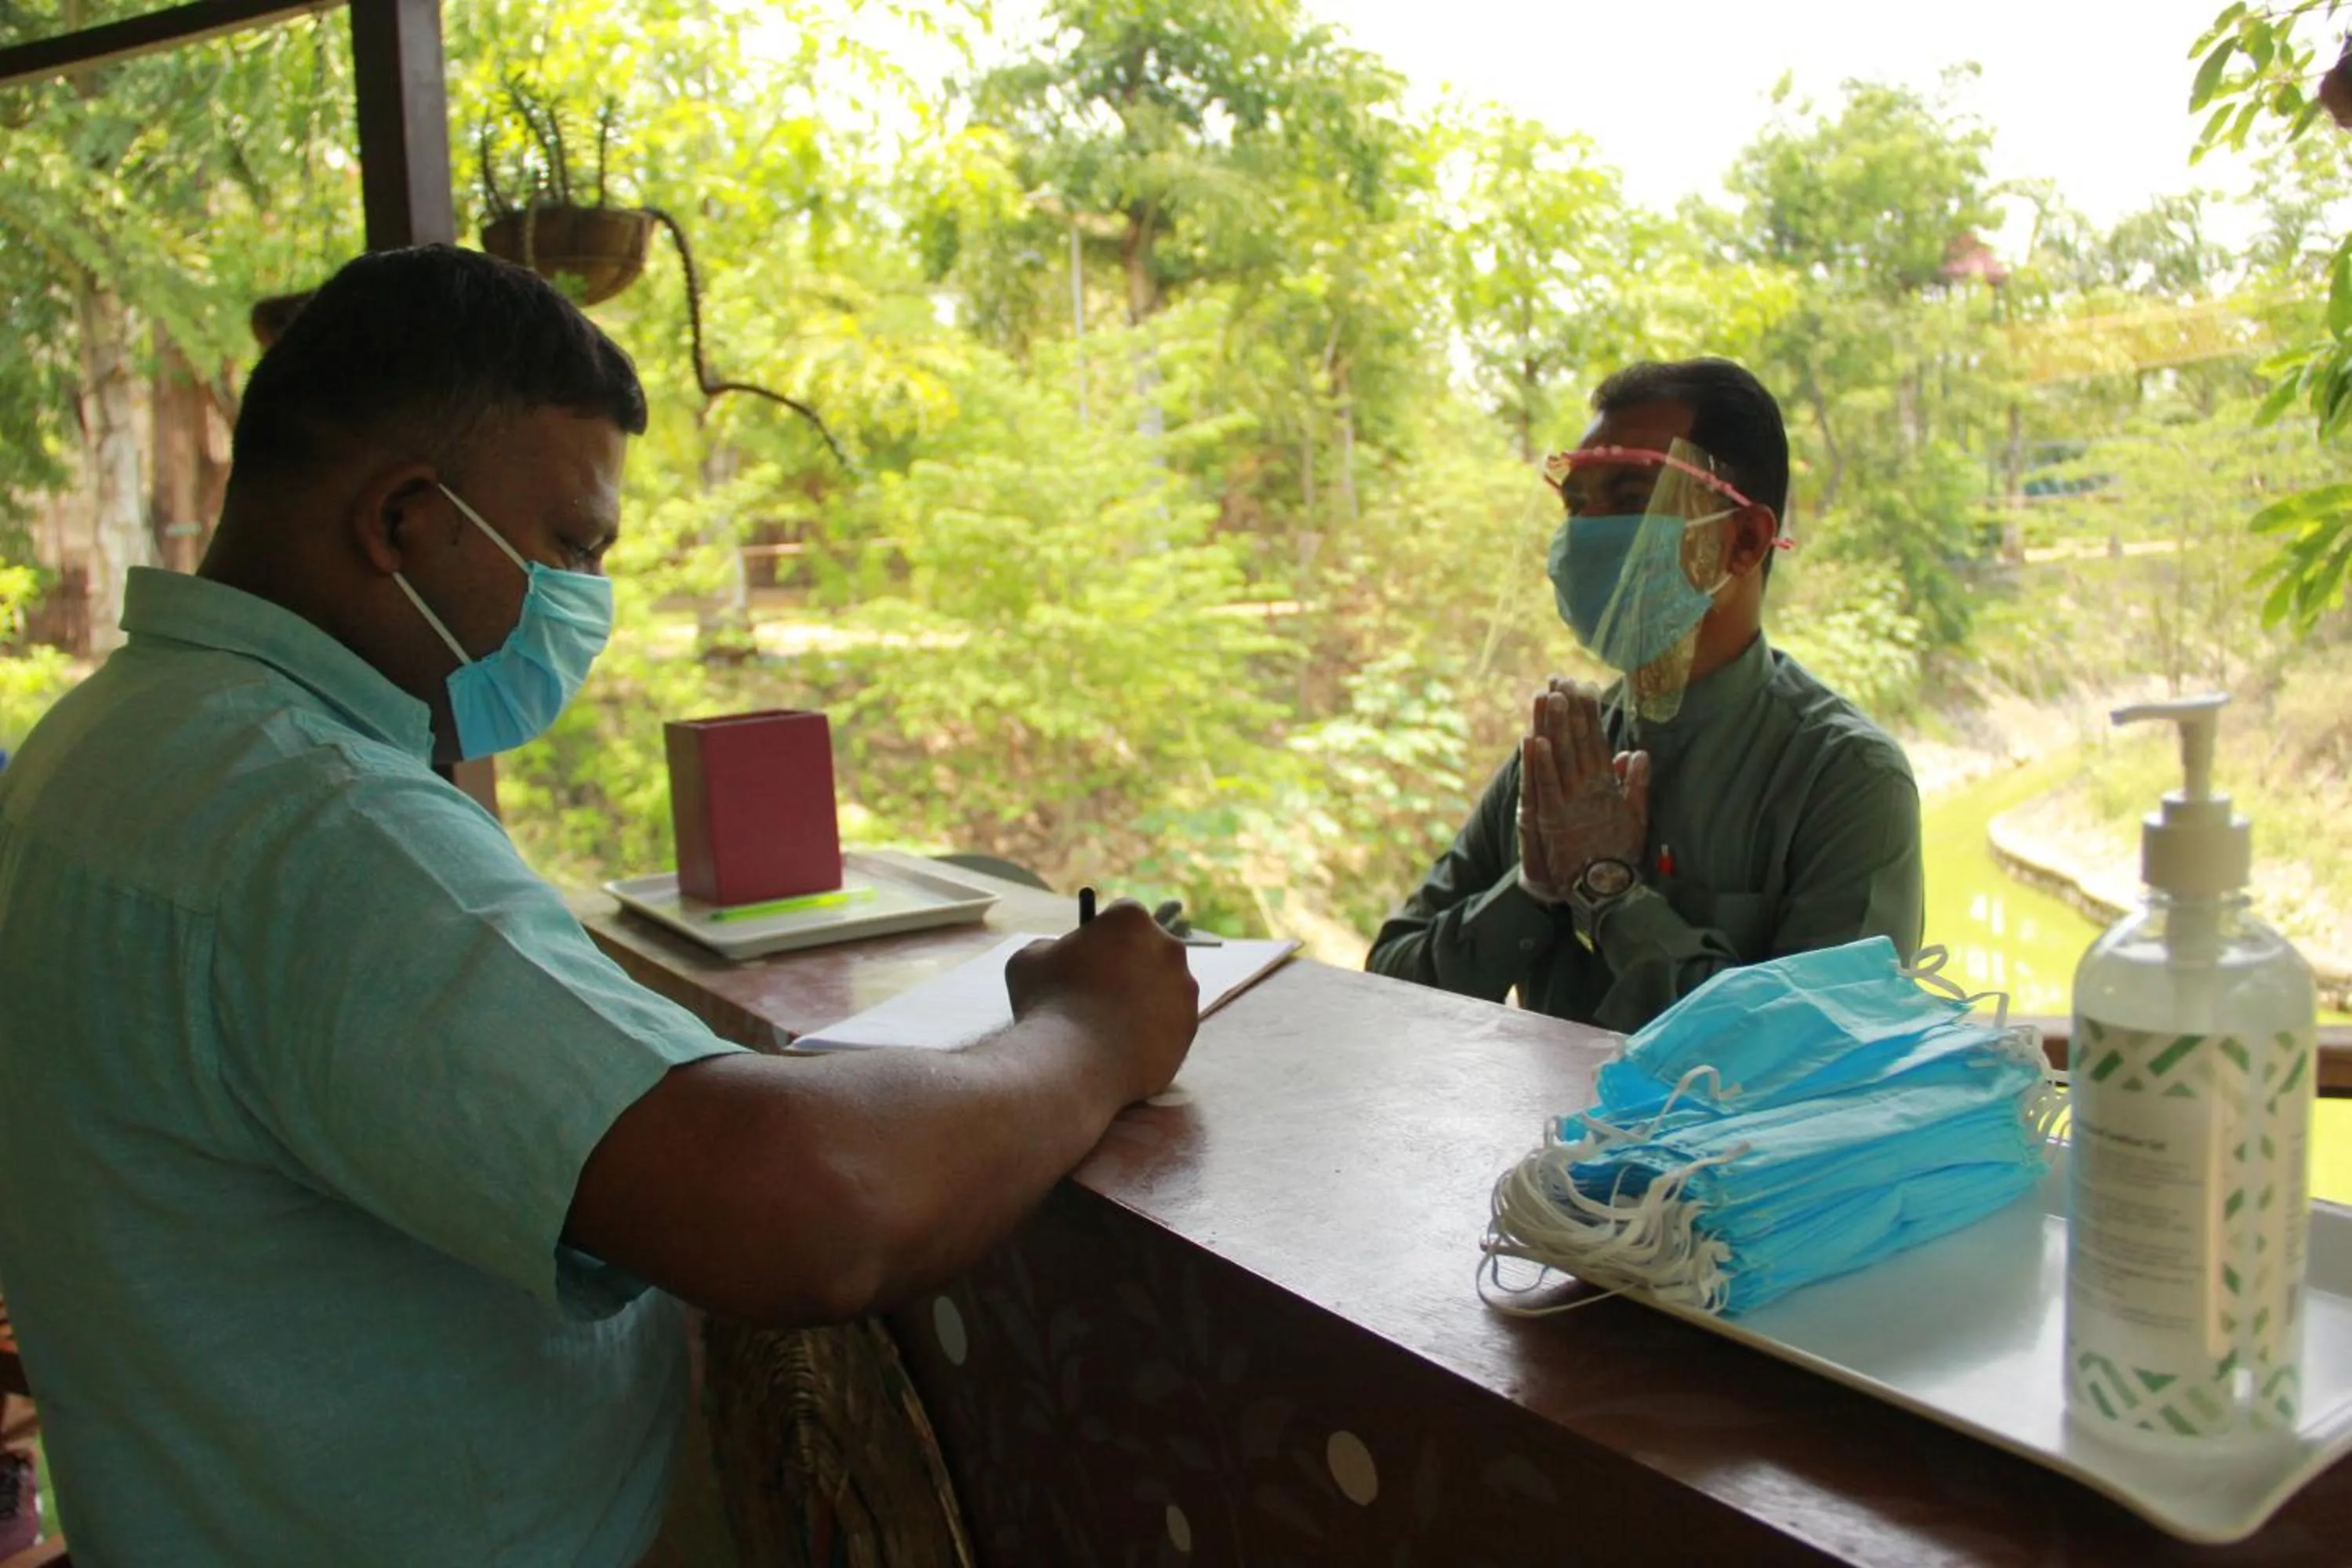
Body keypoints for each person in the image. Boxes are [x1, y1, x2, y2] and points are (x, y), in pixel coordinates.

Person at [0, 245, 1197, 1564]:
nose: (586, 602)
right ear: (403, 519)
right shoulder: (315, 826)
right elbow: (817, 1207)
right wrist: (1088, 1036)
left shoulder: (99, 745)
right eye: (569, 546)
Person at [1367, 357, 1922, 1033]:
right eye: (1576, 505)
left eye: (1632, 500)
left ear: (1743, 541)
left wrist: (1609, 892)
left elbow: (1812, 1054)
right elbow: (1390, 985)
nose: (1585, 534)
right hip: (1544, 1138)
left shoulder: (1843, 778)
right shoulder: (1560, 758)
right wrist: (1533, 890)